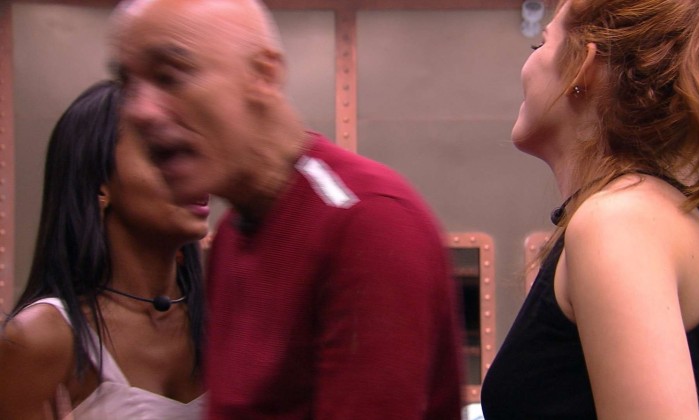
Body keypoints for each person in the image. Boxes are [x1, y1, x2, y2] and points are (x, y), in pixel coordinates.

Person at [109, 0, 465, 418]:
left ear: (263, 75)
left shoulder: (367, 224)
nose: (140, 111)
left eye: (170, 76)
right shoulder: (232, 236)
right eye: (128, 86)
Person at [481, 0, 699, 418]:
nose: (527, 65)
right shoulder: (669, 216)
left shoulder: (617, 222)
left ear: (581, 70)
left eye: (540, 44)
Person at [0, 81, 210, 419]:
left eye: (194, 151)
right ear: (100, 185)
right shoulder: (41, 340)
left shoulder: (226, 318)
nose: (195, 174)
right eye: (163, 152)